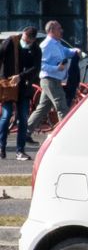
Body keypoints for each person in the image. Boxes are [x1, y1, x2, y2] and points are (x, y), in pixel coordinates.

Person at [27, 21, 81, 137]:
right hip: (49, 80)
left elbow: (66, 52)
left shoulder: (57, 43)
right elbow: (40, 65)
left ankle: (26, 132)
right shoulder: (46, 45)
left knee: (43, 108)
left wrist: (75, 51)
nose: (61, 31)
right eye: (59, 28)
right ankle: (66, 134)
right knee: (62, 106)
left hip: (54, 80)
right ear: (51, 30)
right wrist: (56, 68)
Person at [0, 27, 40, 161]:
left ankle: (20, 151)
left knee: (23, 118)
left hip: (24, 87)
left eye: (29, 41)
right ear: (23, 34)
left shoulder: (35, 49)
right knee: (6, 116)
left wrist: (21, 76)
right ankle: (1, 147)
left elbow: (36, 68)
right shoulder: (11, 42)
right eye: (25, 39)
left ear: (33, 40)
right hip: (8, 85)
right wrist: (3, 77)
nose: (26, 42)